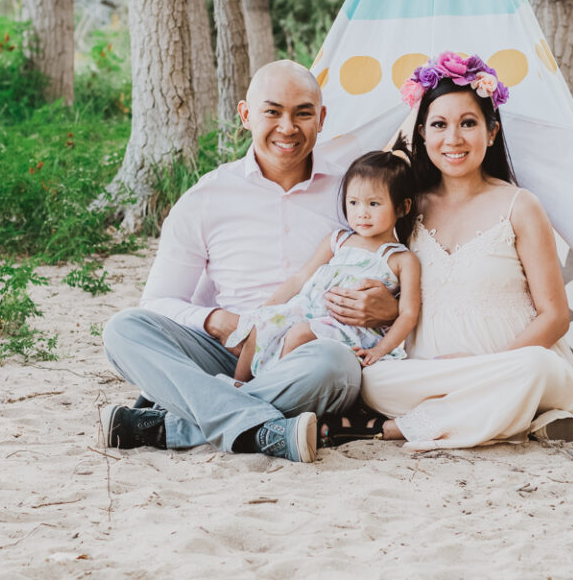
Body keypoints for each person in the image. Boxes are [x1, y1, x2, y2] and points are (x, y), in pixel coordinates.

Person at [100, 61, 400, 463]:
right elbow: (157, 301)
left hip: (310, 350)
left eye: (303, 113)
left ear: (322, 118)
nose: (288, 127)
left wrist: (390, 308)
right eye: (272, 112)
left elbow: (396, 263)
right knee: (124, 329)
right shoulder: (205, 198)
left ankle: (174, 423)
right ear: (245, 115)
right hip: (231, 349)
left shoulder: (355, 193)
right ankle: (263, 428)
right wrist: (214, 321)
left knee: (336, 365)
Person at [357, 52, 573, 450]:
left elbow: (556, 317)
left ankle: (404, 427)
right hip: (430, 373)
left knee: (534, 369)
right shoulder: (407, 208)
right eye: (440, 125)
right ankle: (510, 417)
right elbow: (402, 297)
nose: (454, 139)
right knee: (371, 380)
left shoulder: (521, 205)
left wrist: (485, 366)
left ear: (492, 132)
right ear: (422, 134)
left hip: (519, 365)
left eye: (468, 124)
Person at [231, 149, 421, 382]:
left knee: (300, 334)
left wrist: (380, 349)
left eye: (373, 204)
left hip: (348, 328)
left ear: (402, 207)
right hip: (307, 310)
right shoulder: (338, 240)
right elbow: (300, 279)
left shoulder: (400, 259)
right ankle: (238, 384)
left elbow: (409, 314)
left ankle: (267, 391)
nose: (362, 213)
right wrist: (265, 308)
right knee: (260, 325)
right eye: (354, 202)